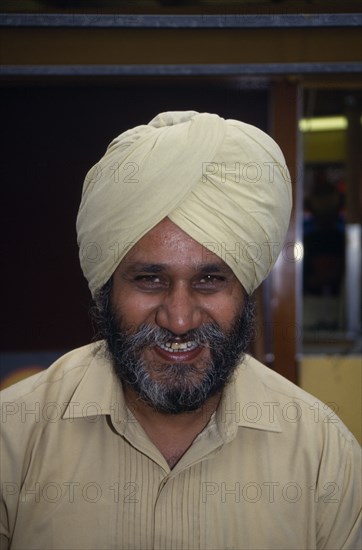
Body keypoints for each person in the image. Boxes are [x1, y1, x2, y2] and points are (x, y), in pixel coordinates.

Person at [0, 111, 360, 550]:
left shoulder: (322, 452)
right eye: (149, 279)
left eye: (210, 280)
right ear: (106, 288)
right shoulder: (14, 438)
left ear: (245, 290)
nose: (180, 318)